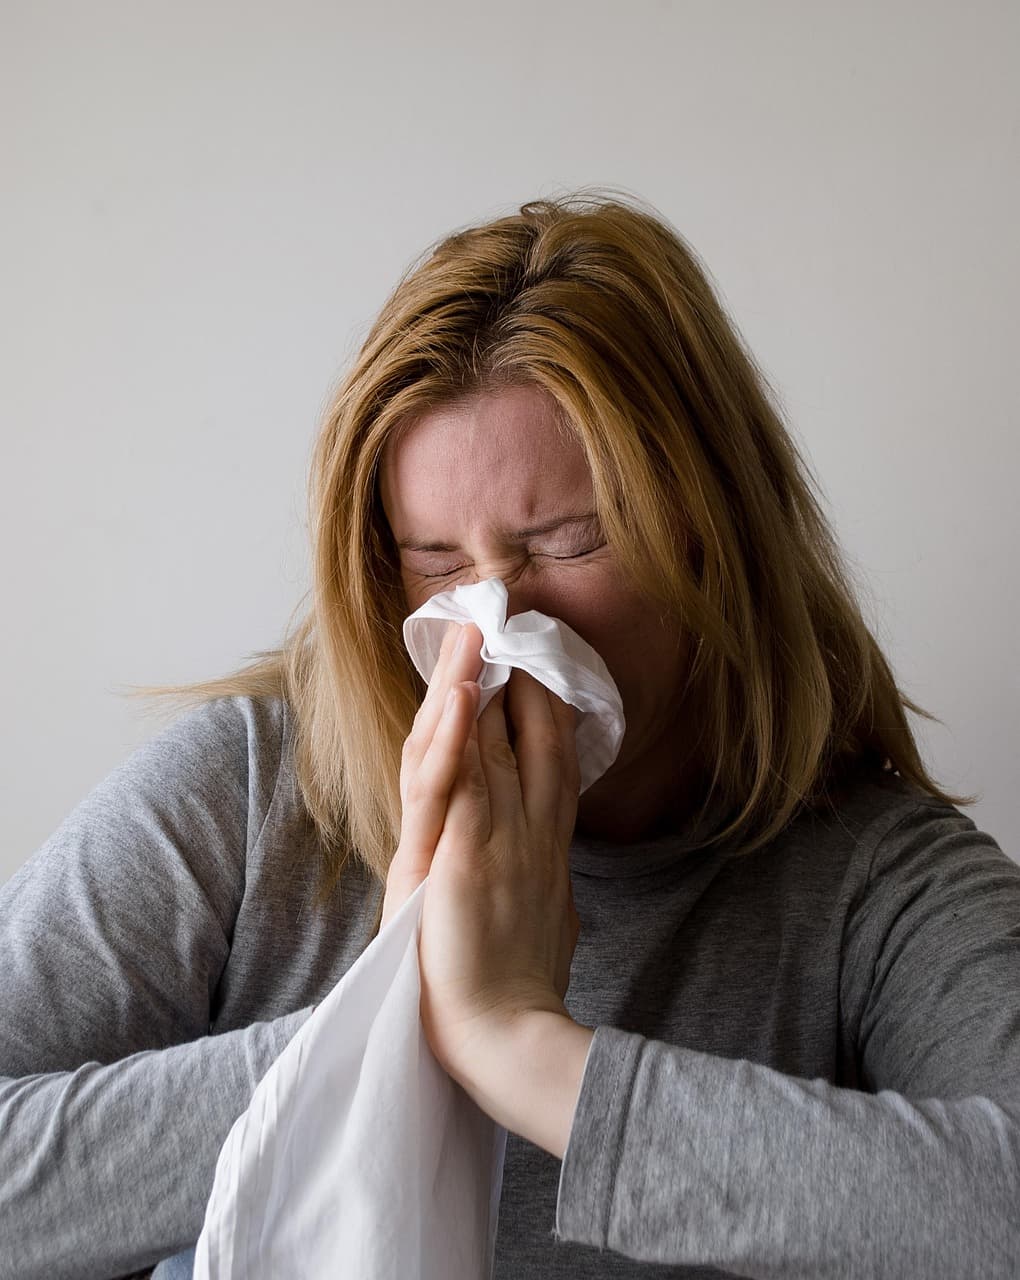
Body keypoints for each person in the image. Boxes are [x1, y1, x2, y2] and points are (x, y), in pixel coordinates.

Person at [2, 190, 1018, 1280]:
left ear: (713, 536)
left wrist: (517, 1043)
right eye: (437, 563)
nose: (496, 621)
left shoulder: (871, 879)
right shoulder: (249, 792)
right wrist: (386, 1025)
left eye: (568, 542)